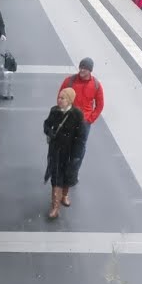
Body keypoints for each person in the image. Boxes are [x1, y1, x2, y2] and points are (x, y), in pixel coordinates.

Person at [57, 58, 104, 206]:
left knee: (77, 154)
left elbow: (100, 105)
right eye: (81, 67)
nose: (82, 70)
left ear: (90, 70)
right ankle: (65, 178)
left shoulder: (96, 85)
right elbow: (60, 98)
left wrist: (90, 119)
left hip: (83, 124)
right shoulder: (69, 81)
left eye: (85, 68)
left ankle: (71, 177)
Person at [43, 87, 85, 219]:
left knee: (67, 175)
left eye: (63, 98)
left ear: (70, 100)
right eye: (59, 97)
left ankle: (64, 195)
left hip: (69, 152)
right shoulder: (54, 111)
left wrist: (76, 156)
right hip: (56, 150)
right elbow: (47, 124)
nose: (59, 100)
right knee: (56, 175)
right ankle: (55, 207)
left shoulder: (77, 114)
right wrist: (50, 132)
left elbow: (80, 137)